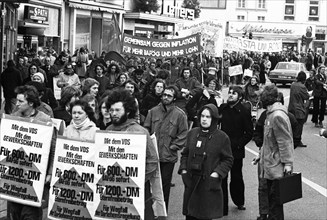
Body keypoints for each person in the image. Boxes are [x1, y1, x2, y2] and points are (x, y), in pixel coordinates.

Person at [105, 89, 158, 217]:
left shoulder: (140, 131)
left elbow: (152, 161)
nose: (114, 113)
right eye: (111, 110)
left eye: (118, 110)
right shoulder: (108, 130)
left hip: (137, 190)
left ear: (128, 111)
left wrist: (138, 180)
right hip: (113, 190)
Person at [178, 104, 234, 220]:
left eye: (208, 117)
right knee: (190, 215)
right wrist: (183, 170)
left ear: (214, 118)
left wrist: (216, 174)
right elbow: (185, 154)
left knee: (205, 215)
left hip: (207, 184)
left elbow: (228, 159)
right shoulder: (192, 133)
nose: (204, 119)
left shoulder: (222, 137)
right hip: (191, 182)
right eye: (202, 116)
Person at [8, 85, 54, 220]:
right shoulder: (13, 117)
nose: (17, 104)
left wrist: (50, 172)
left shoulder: (44, 119)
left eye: (21, 101)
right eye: (17, 100)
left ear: (31, 103)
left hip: (34, 177)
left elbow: (52, 147)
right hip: (15, 176)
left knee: (30, 214)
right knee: (14, 213)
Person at [144, 85, 188, 212]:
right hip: (152, 154)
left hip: (168, 156)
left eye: (169, 96)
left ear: (174, 98)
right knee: (150, 184)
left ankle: (162, 212)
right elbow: (146, 128)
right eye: (164, 95)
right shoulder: (152, 111)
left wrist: (173, 146)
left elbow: (184, 133)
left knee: (164, 185)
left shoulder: (180, 115)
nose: (166, 97)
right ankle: (150, 211)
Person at [259, 84, 294, 220]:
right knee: (273, 201)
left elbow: (284, 141)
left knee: (275, 204)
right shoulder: (271, 114)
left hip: (276, 167)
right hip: (271, 165)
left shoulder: (276, 116)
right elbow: (269, 142)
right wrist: (260, 156)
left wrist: (287, 163)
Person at [219, 85, 253, 214]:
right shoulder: (223, 108)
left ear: (239, 96)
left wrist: (239, 144)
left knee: (236, 177)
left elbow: (249, 132)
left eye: (234, 93)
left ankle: (239, 201)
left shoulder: (244, 111)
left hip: (236, 150)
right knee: (222, 177)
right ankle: (222, 206)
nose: (231, 95)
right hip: (222, 149)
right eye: (230, 93)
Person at [288, 71, 310, 147]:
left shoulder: (293, 85)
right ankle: (297, 140)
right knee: (299, 125)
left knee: (292, 124)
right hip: (299, 108)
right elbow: (306, 96)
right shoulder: (302, 87)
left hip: (291, 107)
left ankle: (291, 139)